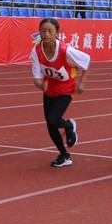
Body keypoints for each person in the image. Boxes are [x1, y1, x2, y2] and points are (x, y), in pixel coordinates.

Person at [31, 18, 90, 167]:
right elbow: (36, 77)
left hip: (65, 89)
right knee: (50, 125)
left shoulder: (65, 50)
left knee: (53, 119)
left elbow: (86, 60)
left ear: (57, 33)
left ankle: (69, 126)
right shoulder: (36, 51)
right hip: (49, 89)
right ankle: (64, 155)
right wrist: (40, 84)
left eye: (50, 31)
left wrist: (82, 83)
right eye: (43, 30)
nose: (46, 34)